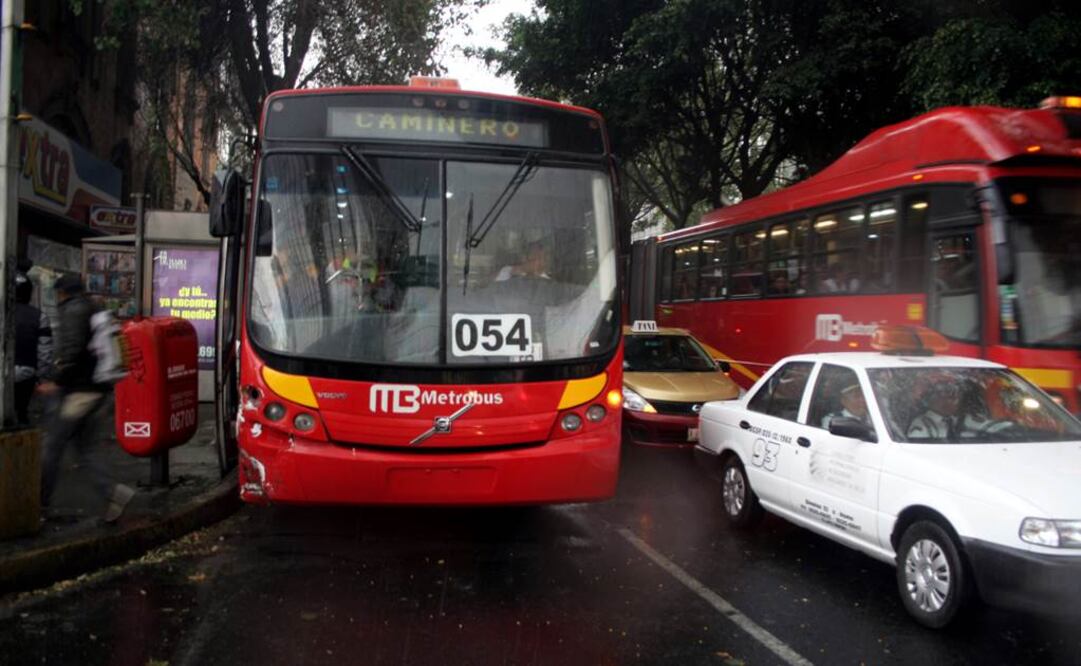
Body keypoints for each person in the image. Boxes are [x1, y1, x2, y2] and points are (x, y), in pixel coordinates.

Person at [38, 273, 134, 523]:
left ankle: (38, 504)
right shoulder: (94, 308)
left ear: (62, 293)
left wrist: (55, 381)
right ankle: (113, 493)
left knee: (52, 447)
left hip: (77, 393)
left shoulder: (73, 310)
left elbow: (70, 351)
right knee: (84, 449)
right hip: (99, 390)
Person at [906, 382, 1012, 440]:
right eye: (947, 395)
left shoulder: (965, 419)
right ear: (934, 399)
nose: (954, 401)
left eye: (956, 396)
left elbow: (993, 427)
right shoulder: (923, 424)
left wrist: (1012, 429)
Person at [13, 271, 52, 425]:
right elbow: (45, 352)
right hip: (26, 374)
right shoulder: (40, 316)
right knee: (22, 412)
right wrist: (41, 378)